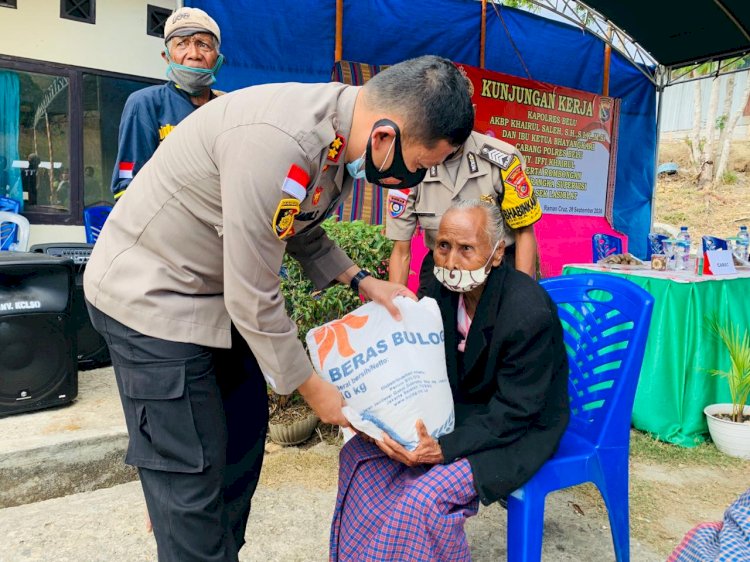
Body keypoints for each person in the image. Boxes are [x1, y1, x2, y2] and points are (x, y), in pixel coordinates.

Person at [83, 55, 474, 561]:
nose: (415, 179)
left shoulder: (337, 136)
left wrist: (361, 280)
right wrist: (316, 389)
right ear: (384, 138)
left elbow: (296, 226)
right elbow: (253, 295)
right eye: (420, 166)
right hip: (152, 300)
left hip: (216, 303)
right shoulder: (278, 142)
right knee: (190, 479)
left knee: (239, 454)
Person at [330, 199, 569, 561]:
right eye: (444, 246)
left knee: (425, 498)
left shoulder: (526, 311)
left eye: (466, 249)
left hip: (518, 428)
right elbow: (417, 359)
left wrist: (446, 447)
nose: (452, 262)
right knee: (361, 458)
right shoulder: (439, 285)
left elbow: (517, 411)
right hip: (461, 410)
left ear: (497, 253)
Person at [386, 130, 541, 295]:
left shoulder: (504, 159)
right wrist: (395, 304)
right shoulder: (409, 163)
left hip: (494, 266)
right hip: (441, 266)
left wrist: (522, 296)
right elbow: (401, 249)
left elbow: (524, 232)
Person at [110, 7, 225, 201]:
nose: (194, 54)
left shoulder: (227, 107)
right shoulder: (145, 104)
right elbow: (127, 182)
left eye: (203, 44)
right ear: (167, 57)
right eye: (182, 44)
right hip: (168, 222)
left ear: (218, 58)